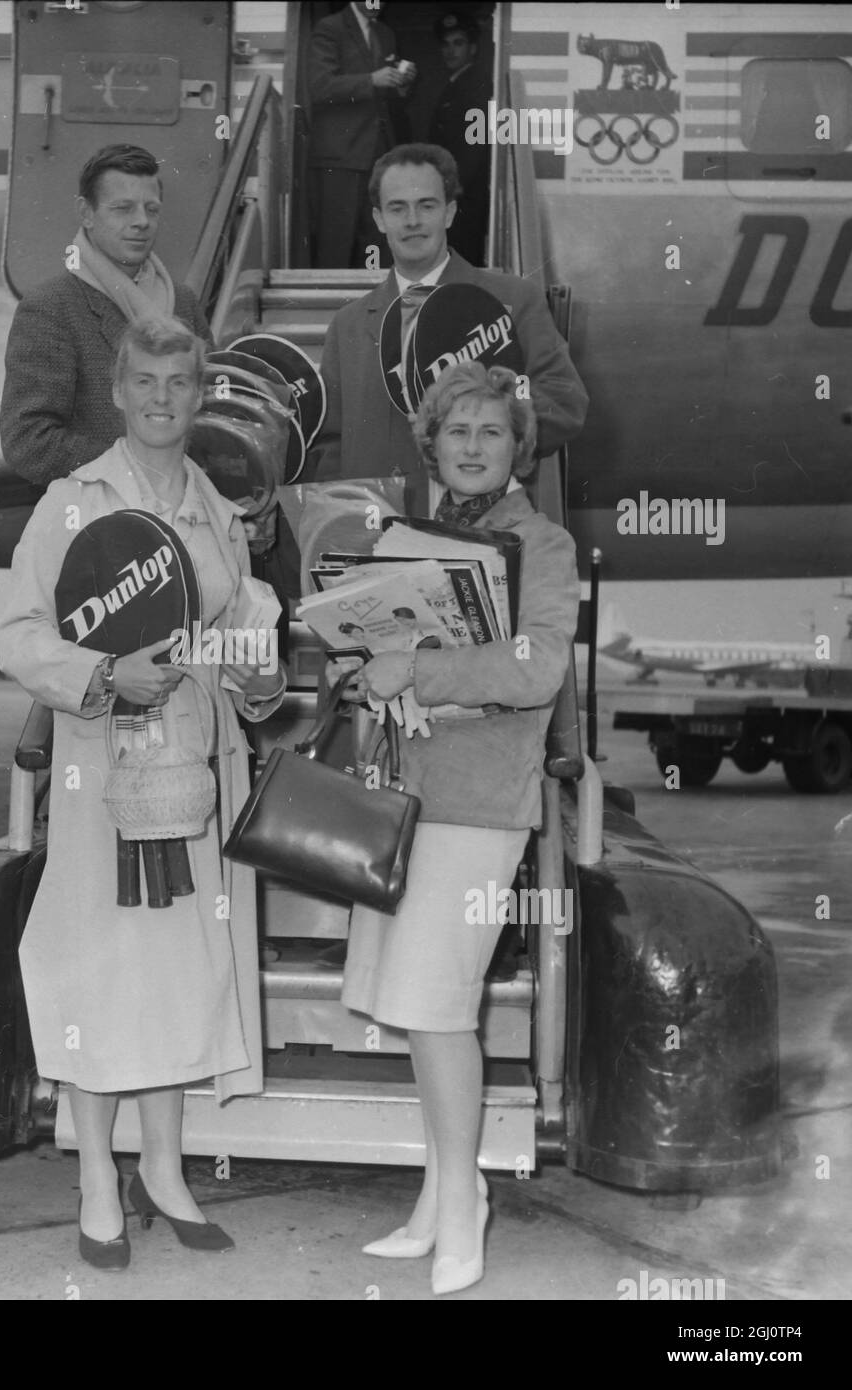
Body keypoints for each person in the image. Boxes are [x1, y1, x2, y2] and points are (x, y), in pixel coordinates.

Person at [0, 318, 285, 1271]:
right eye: (145, 381)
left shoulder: (218, 513)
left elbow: (242, 641)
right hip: (99, 772)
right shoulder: (72, 502)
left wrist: (257, 678)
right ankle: (95, 1181)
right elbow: (19, 635)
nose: (162, 397)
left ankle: (164, 1171)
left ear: (200, 396)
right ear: (117, 393)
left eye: (179, 382)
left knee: (174, 968)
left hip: (191, 773)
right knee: (100, 969)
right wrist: (101, 676)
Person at [335, 358, 579, 1295]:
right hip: (402, 793)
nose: (472, 448)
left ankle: (465, 1201)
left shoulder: (544, 544)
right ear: (430, 444)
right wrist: (363, 662)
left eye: (491, 433)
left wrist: (416, 672)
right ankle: (440, 1198)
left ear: (518, 447)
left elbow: (534, 672)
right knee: (415, 1009)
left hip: (480, 805)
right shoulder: (409, 535)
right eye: (456, 432)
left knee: (439, 1011)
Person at [308, 143, 588, 484]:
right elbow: (330, 443)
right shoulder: (348, 324)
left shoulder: (513, 300)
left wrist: (497, 411)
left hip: (475, 527)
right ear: (379, 219)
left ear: (450, 212)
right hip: (376, 528)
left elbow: (564, 401)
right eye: (397, 208)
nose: (413, 221)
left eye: (426, 206)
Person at [0, 143, 211, 485]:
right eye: (123, 209)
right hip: (95, 521)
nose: (141, 222)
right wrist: (141, 468)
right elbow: (28, 442)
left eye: (152, 210)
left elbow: (210, 414)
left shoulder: (184, 303)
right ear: (86, 212)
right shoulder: (51, 308)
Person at [307, 1, 414, 269]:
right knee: (337, 240)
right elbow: (319, 87)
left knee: (376, 239)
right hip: (341, 154)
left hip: (379, 154)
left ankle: (374, 302)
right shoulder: (329, 28)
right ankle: (331, 306)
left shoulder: (385, 34)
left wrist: (402, 84)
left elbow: (387, 98)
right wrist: (372, 80)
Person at [427, 15, 492, 266]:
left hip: (464, 194)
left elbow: (473, 145)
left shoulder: (475, 85)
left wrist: (456, 185)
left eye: (458, 43)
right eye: (446, 44)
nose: (450, 50)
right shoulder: (456, 85)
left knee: (463, 258)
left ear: (473, 48)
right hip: (454, 191)